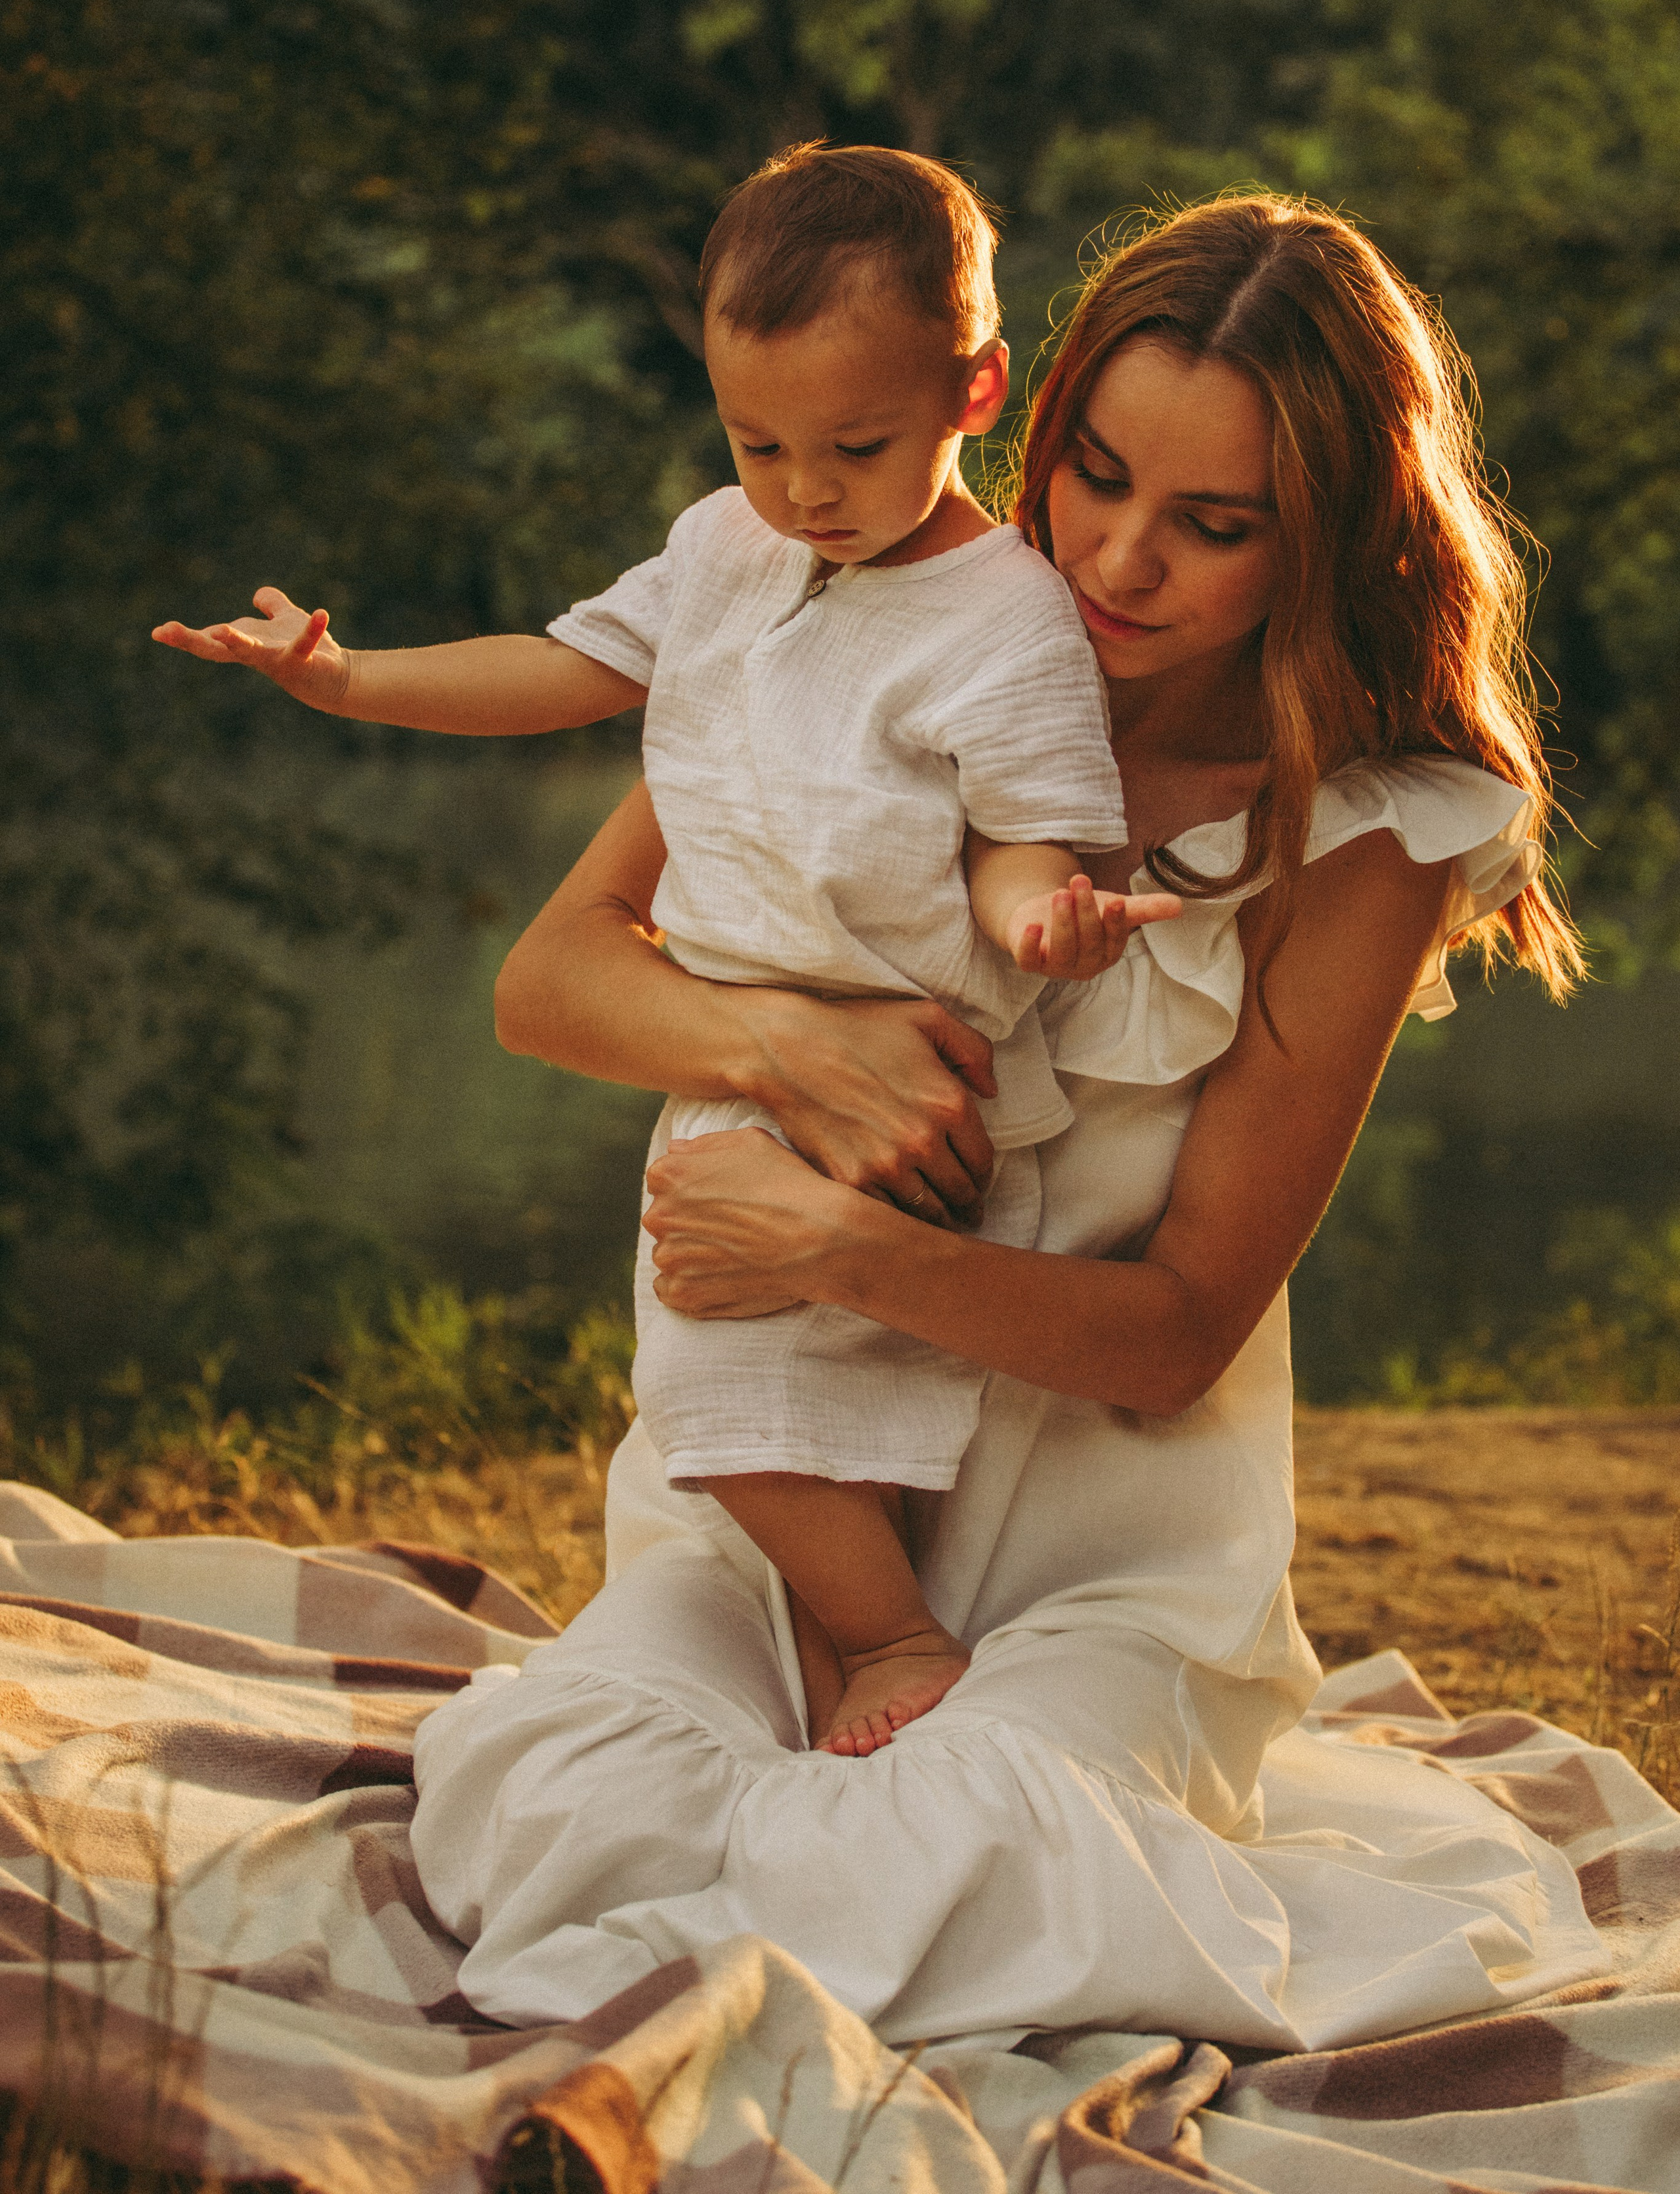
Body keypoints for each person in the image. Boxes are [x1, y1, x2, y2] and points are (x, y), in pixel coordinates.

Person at [408, 192, 1610, 2054]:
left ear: (1326, 535)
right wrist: (790, 1052)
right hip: (786, 1521)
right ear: (1025, 425)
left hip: (1098, 1575)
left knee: (976, 1855)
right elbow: (549, 981)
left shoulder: (1363, 832)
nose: (1119, 559)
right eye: (1095, 478)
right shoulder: (857, 629)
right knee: (570, 1805)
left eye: (1214, 525)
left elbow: (1180, 1330)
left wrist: (843, 1245)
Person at [152, 144, 1177, 1755]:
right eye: (757, 443)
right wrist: (351, 680)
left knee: (740, 1397)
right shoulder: (722, 553)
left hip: (899, 1069)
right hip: (733, 1048)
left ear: (973, 391)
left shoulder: (1007, 619)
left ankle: (893, 1641)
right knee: (745, 1399)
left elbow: (1018, 842)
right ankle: (856, 1662)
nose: (803, 491)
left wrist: (1044, 920)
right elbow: (562, 669)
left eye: (854, 447)